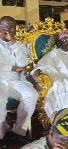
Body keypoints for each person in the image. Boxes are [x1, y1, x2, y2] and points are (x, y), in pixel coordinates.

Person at [0, 16, 38, 148]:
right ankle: (1, 135)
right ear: (0, 28)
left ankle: (18, 132)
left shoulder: (19, 45)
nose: (11, 30)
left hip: (16, 81)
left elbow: (23, 63)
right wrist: (13, 68)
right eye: (8, 27)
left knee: (32, 94)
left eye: (14, 27)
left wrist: (13, 43)